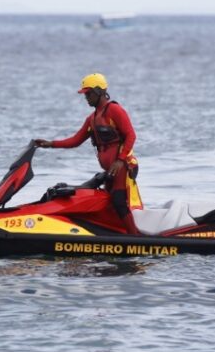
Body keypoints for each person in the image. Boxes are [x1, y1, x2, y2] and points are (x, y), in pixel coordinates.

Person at [33, 72, 144, 234]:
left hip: (123, 167)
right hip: (110, 170)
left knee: (119, 201)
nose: (86, 98)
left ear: (99, 91)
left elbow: (131, 136)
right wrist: (50, 144)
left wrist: (120, 160)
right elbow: (75, 141)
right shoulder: (92, 119)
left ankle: (135, 239)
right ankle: (114, 233)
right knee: (108, 202)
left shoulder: (114, 110)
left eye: (88, 93)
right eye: (85, 94)